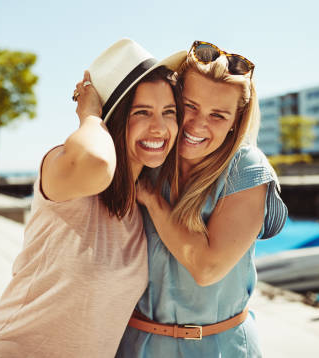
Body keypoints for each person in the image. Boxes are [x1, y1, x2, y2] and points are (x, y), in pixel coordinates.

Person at [0, 38, 186, 358]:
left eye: (169, 112)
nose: (159, 127)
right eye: (142, 112)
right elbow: (98, 162)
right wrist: (90, 114)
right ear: (115, 117)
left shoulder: (137, 210)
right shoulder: (65, 173)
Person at [116, 40, 288, 357]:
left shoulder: (245, 168)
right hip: (134, 344)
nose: (197, 124)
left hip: (217, 347)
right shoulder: (148, 161)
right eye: (190, 106)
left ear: (236, 122)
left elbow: (207, 268)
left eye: (218, 116)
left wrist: (153, 202)